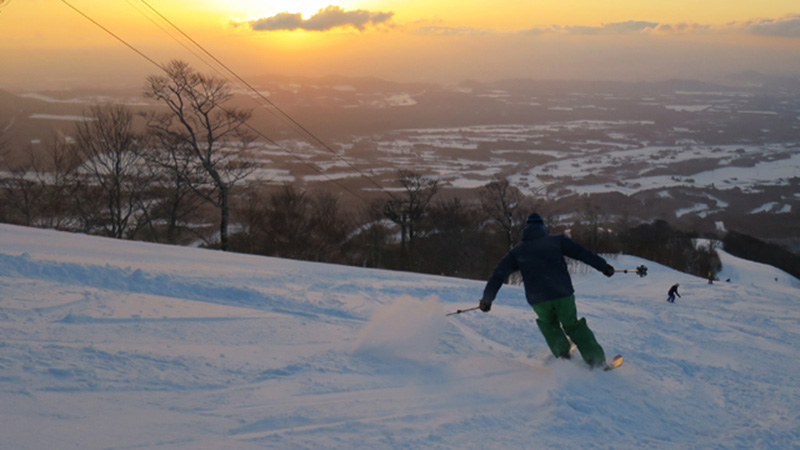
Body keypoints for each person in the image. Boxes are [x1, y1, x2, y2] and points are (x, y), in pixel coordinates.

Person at [478, 213, 615, 368]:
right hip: (562, 293)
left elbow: (498, 275)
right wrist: (604, 267)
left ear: (526, 230)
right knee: (572, 325)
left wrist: (487, 299)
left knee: (549, 325)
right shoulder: (557, 241)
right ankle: (595, 361)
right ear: (543, 227)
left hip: (538, 299)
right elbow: (583, 254)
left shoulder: (517, 252)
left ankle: (563, 356)